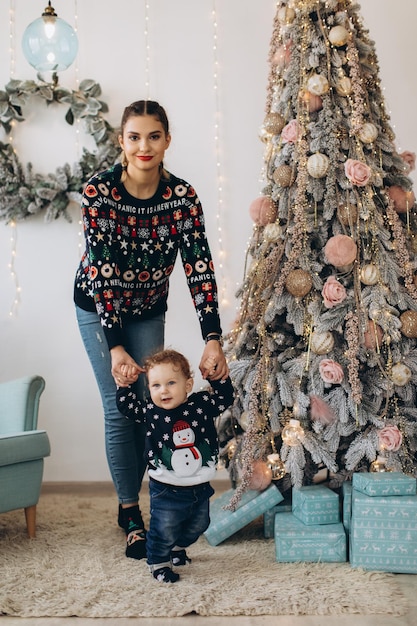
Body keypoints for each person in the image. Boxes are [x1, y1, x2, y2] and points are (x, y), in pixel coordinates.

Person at [74, 100, 229, 560]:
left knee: (153, 400)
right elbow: (101, 271)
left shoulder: (182, 197)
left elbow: (199, 269)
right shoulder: (98, 192)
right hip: (98, 305)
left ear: (167, 140)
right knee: (119, 405)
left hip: (147, 307)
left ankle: (162, 497)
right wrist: (116, 345)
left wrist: (213, 337)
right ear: (121, 141)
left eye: (154, 136)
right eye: (135, 136)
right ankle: (129, 512)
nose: (145, 146)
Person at [116, 348, 234, 583]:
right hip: (165, 488)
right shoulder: (151, 411)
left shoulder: (201, 405)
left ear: (188, 385)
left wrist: (216, 377)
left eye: (171, 382)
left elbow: (225, 398)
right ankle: (158, 561)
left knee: (200, 524)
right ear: (149, 389)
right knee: (164, 528)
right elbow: (126, 407)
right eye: (156, 385)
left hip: (199, 486)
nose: (164, 390)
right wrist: (125, 386)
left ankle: (176, 547)